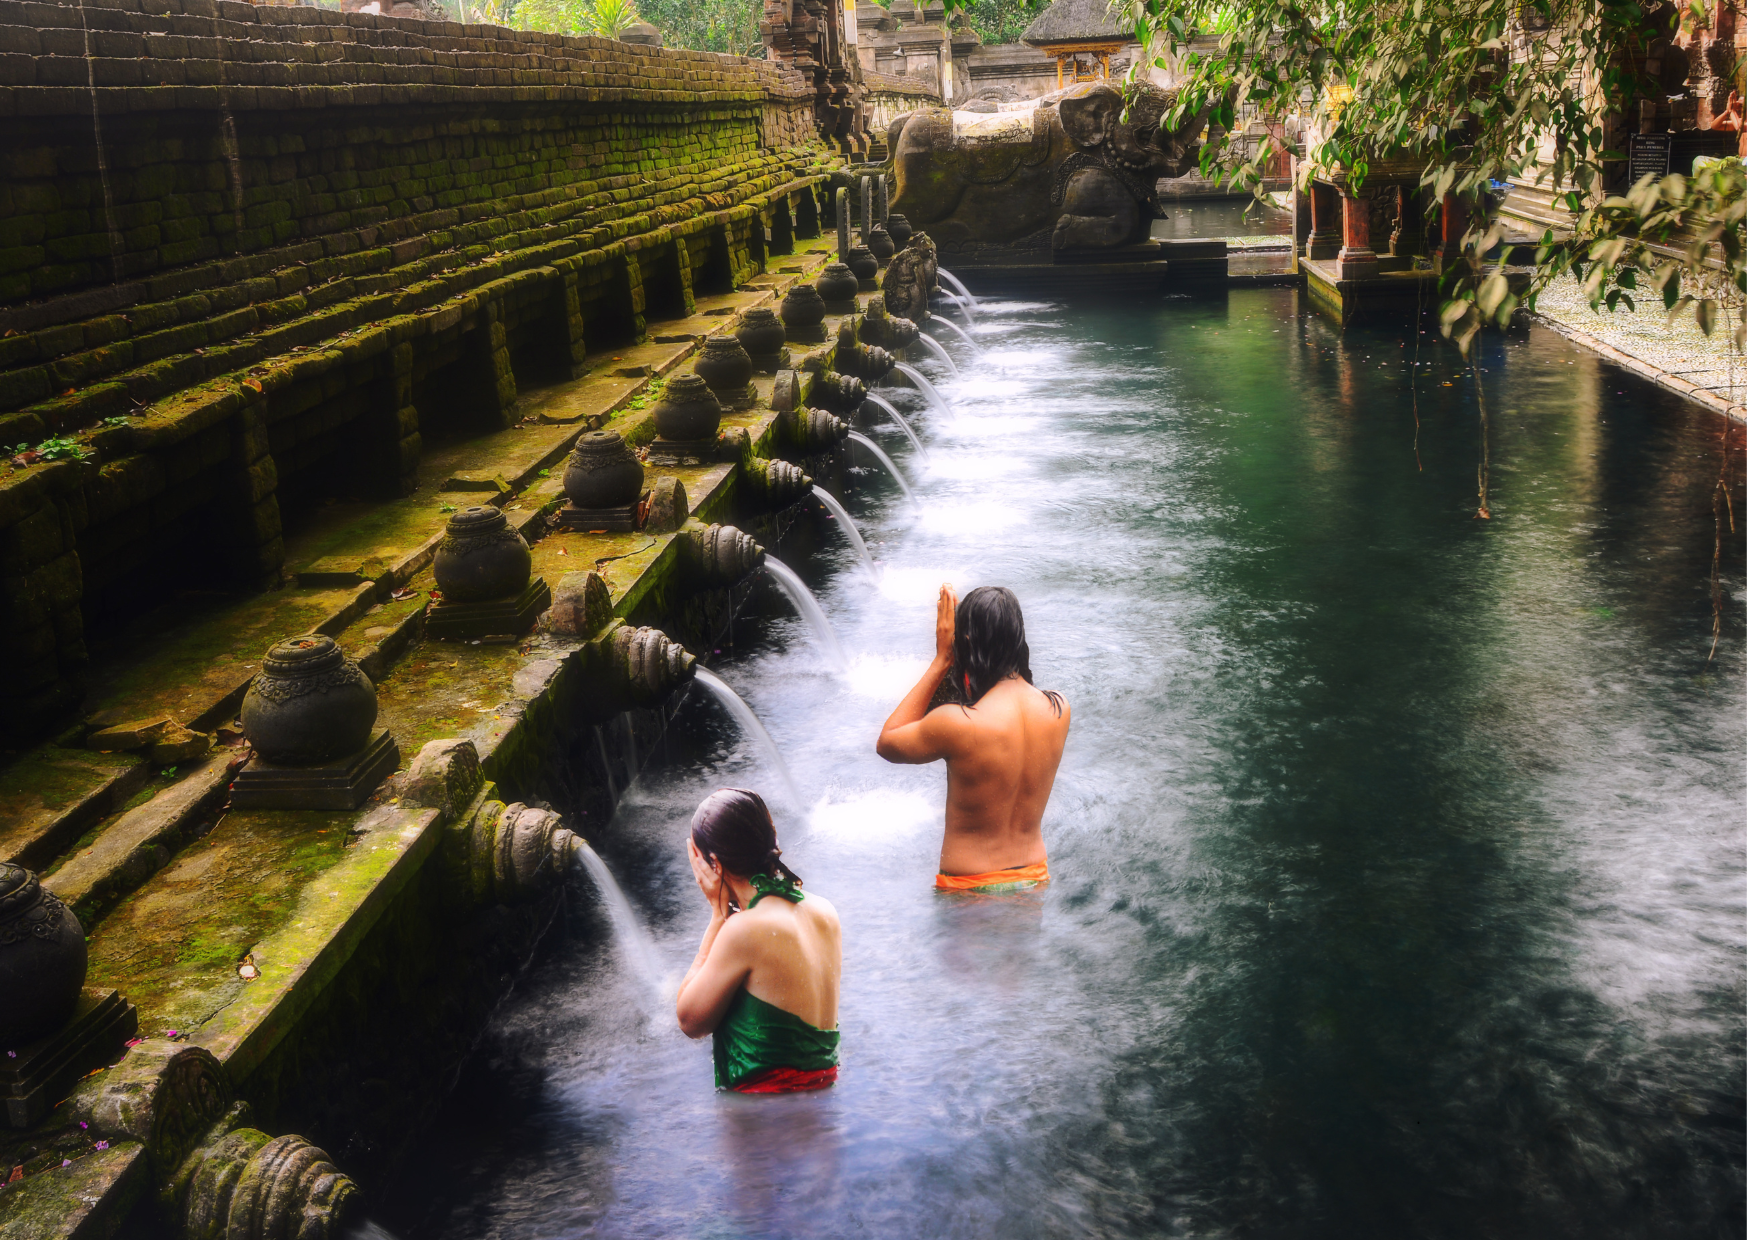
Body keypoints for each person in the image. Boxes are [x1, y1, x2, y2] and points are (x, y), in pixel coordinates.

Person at [876, 585, 1071, 893]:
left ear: (964, 643)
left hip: (968, 890)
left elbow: (887, 742)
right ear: (1020, 637)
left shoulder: (958, 723)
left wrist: (942, 660)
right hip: (1034, 881)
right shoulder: (1058, 708)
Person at [676, 788, 842, 1093]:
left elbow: (689, 1021)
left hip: (768, 1123)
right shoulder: (824, 911)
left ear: (713, 864)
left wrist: (717, 915)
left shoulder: (742, 931)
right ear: (772, 836)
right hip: (822, 1113)